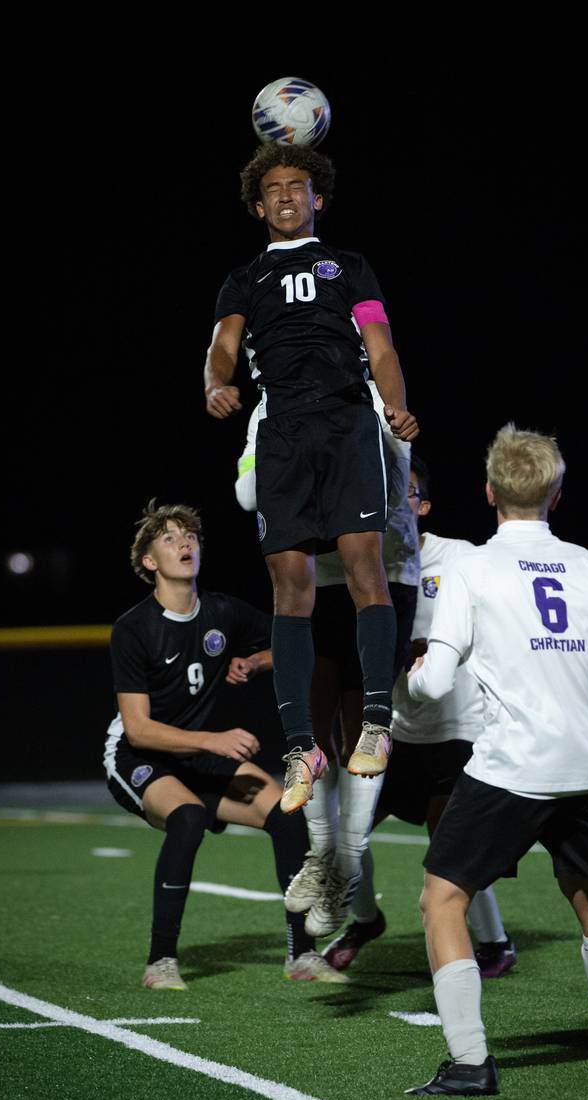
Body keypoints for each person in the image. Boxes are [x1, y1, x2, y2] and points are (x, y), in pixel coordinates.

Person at [404, 424, 588, 1096]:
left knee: (441, 900)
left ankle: (469, 1062)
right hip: (582, 765)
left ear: (489, 491)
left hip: (510, 765)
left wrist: (399, 686)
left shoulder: (471, 569)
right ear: (556, 494)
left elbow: (433, 684)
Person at [205, 141, 419, 819]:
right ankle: (301, 746)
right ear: (258, 204)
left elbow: (380, 344)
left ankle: (378, 726)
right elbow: (222, 346)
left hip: (349, 423)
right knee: (289, 588)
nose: (287, 195)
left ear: (317, 198)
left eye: (298, 185)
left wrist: (395, 403)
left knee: (364, 570)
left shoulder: (349, 267)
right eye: (273, 188)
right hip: (284, 433)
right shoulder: (243, 280)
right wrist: (216, 382)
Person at [103, 500, 347, 987]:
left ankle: (301, 955)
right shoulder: (134, 628)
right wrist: (213, 739)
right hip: (141, 758)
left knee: (286, 813)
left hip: (202, 756)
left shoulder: (222, 612)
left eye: (190, 534)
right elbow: (138, 729)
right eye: (169, 538)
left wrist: (255, 662)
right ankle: (161, 961)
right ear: (149, 561)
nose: (184, 543)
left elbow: (294, 643)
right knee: (188, 817)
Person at [234, 382, 420, 935]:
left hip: (381, 578)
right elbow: (248, 494)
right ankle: (322, 853)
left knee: (362, 730)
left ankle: (346, 865)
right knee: (311, 735)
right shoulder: (271, 401)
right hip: (317, 587)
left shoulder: (371, 393)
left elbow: (387, 499)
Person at [324, 455, 515, 976]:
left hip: (456, 728)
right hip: (397, 731)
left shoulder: (462, 558)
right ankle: (365, 920)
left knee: (447, 845)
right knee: (349, 830)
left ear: (423, 505)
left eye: (402, 492)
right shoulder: (359, 565)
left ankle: (496, 944)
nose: (390, 502)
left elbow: (504, 617)